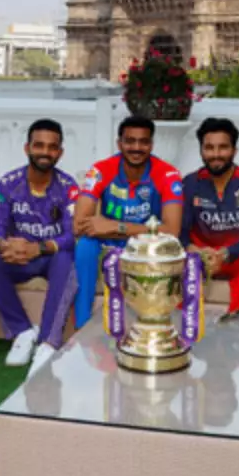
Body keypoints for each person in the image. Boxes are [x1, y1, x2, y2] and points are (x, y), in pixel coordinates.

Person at [0, 118, 80, 378]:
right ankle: (22, 331)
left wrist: (40, 248)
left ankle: (47, 343)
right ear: (27, 148)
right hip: (18, 258)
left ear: (60, 152)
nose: (45, 152)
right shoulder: (7, 184)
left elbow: (72, 235)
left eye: (52, 147)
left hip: (49, 258)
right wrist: (4, 245)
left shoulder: (69, 188)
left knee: (67, 258)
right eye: (39, 145)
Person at [72, 116, 184, 329]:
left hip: (147, 247)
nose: (136, 148)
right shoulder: (101, 170)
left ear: (151, 144)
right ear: (119, 143)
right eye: (130, 141)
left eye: (143, 142)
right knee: (85, 245)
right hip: (110, 244)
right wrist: (115, 230)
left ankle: (154, 326)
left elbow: (171, 231)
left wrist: (116, 226)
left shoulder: (167, 174)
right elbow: (79, 224)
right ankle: (82, 325)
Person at [180, 117, 239, 314]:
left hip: (235, 256)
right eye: (209, 148)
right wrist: (194, 250)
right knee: (184, 260)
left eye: (223, 147)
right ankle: (184, 326)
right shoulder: (190, 183)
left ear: (234, 150)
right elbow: (181, 232)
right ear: (201, 150)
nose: (216, 154)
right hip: (201, 257)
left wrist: (225, 254)